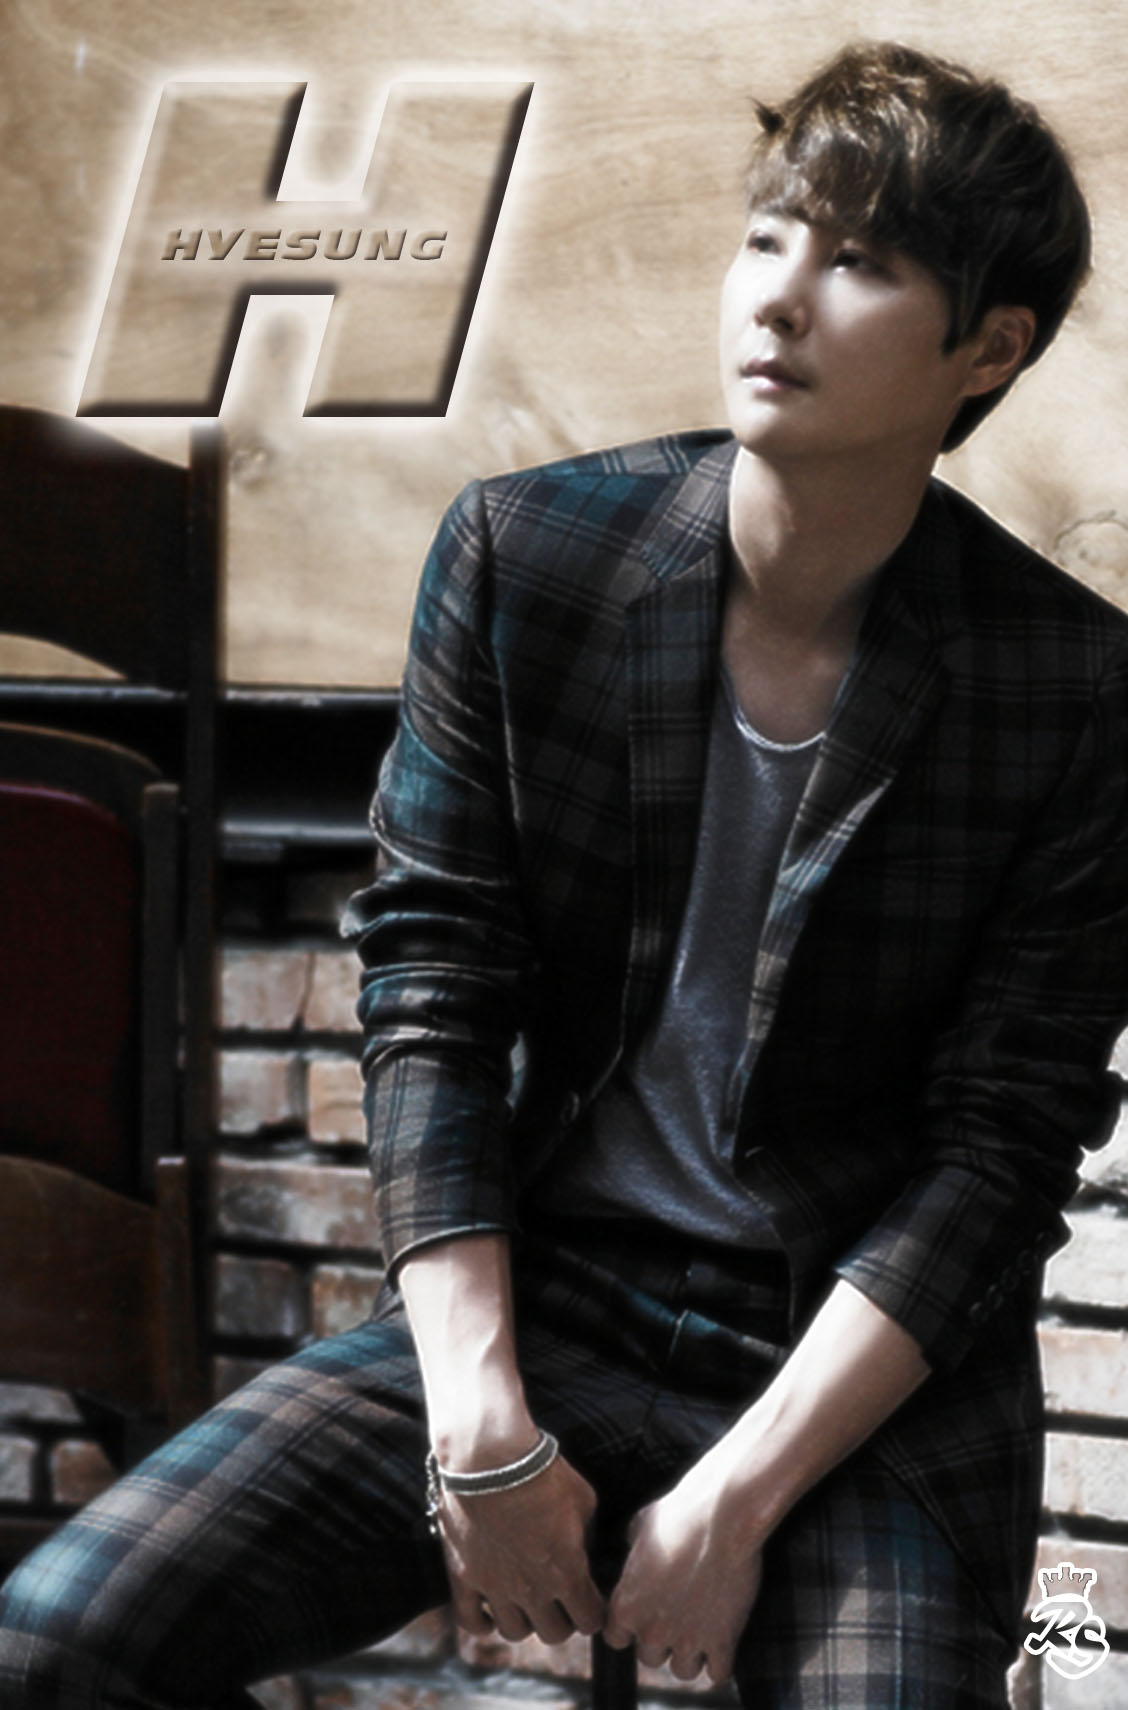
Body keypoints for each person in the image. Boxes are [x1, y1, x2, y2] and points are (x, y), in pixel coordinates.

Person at [2, 38, 1126, 1710]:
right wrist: (482, 1426)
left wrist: (735, 1500)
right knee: (56, 1636)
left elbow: (996, 1155)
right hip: (555, 1292)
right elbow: (436, 993)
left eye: (861, 263)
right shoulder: (530, 560)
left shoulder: (1071, 686)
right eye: (769, 236)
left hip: (854, 1371)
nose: (780, 296)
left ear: (992, 347)